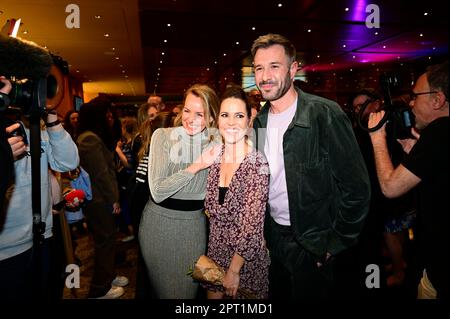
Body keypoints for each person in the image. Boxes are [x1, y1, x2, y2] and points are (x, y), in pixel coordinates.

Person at [251, 34, 371, 299]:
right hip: (273, 241)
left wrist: (332, 244)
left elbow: (357, 188)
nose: (265, 76)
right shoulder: (258, 123)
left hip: (313, 245)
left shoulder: (324, 114)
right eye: (259, 68)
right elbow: (263, 182)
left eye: (274, 66)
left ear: (293, 69)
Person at [368, 60, 448, 299]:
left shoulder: (440, 129)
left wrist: (376, 136)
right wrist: (419, 155)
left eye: (416, 96)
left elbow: (391, 187)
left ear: (437, 99)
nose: (411, 103)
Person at [0, 78, 79, 300]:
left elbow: (68, 163)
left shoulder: (36, 128)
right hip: (8, 248)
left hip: (43, 236)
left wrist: (51, 117)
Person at [139, 84, 221, 299]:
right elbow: (157, 191)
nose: (190, 118)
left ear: (212, 117)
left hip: (193, 227)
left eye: (199, 113)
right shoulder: (163, 136)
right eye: (187, 110)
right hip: (158, 226)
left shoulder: (217, 142)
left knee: (187, 292)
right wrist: (197, 165)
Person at [203, 85, 270, 299]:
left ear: (249, 119)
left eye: (239, 115)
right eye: (225, 115)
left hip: (244, 264)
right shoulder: (216, 155)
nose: (231, 122)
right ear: (217, 120)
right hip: (215, 254)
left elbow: (252, 227)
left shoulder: (257, 163)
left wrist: (233, 271)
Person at [77, 97, 129, 299]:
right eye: (105, 112)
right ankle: (100, 288)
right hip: (99, 200)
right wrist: (113, 199)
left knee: (108, 240)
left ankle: (109, 275)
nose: (109, 116)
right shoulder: (89, 138)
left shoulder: (92, 135)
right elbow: (101, 174)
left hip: (101, 197)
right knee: (104, 242)